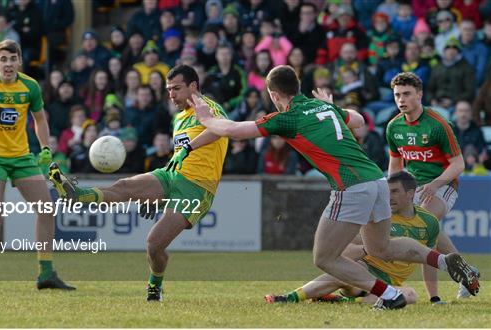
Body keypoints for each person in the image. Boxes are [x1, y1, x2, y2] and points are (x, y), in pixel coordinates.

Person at [191, 65, 479, 310]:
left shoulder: (286, 117)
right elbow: (359, 121)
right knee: (380, 247)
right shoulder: (323, 106)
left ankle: (389, 295)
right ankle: (442, 260)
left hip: (351, 186)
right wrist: (332, 105)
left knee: (324, 257)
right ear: (300, 86)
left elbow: (233, 131)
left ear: (274, 95)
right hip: (378, 181)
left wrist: (205, 117)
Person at [47, 65, 229, 301]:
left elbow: (221, 130)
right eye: (168, 89)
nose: (171, 94)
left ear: (193, 86)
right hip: (171, 175)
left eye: (176, 88)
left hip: (196, 188)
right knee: (124, 186)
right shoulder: (179, 117)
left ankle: (155, 285)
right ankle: (77, 195)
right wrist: (160, 195)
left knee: (154, 245)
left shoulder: (209, 108)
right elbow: (182, 154)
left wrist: (187, 148)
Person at [0, 39, 74, 291]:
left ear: (19, 60)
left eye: (12, 59)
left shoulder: (30, 86)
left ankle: (46, 274)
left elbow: (40, 120)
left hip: (21, 157)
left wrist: (44, 147)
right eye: (3, 59)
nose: (8, 64)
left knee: (46, 209)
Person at [265, 172, 438, 306]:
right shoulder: (376, 216)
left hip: (391, 283)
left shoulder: (429, 222)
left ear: (410, 193)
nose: (389, 196)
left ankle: (343, 302)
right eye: (387, 191)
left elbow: (429, 259)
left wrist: (435, 297)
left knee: (410, 295)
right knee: (344, 272)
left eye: (395, 191)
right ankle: (289, 298)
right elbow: (343, 253)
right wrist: (369, 248)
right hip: (364, 271)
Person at [386, 72, 477, 301]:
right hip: (414, 186)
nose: (401, 100)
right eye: (397, 95)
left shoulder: (438, 125)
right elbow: (396, 164)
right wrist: (393, 192)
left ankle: (434, 298)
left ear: (420, 94)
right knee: (428, 229)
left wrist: (435, 185)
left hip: (444, 184)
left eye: (407, 94)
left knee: (425, 229)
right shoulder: (393, 127)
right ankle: (466, 271)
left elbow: (459, 164)